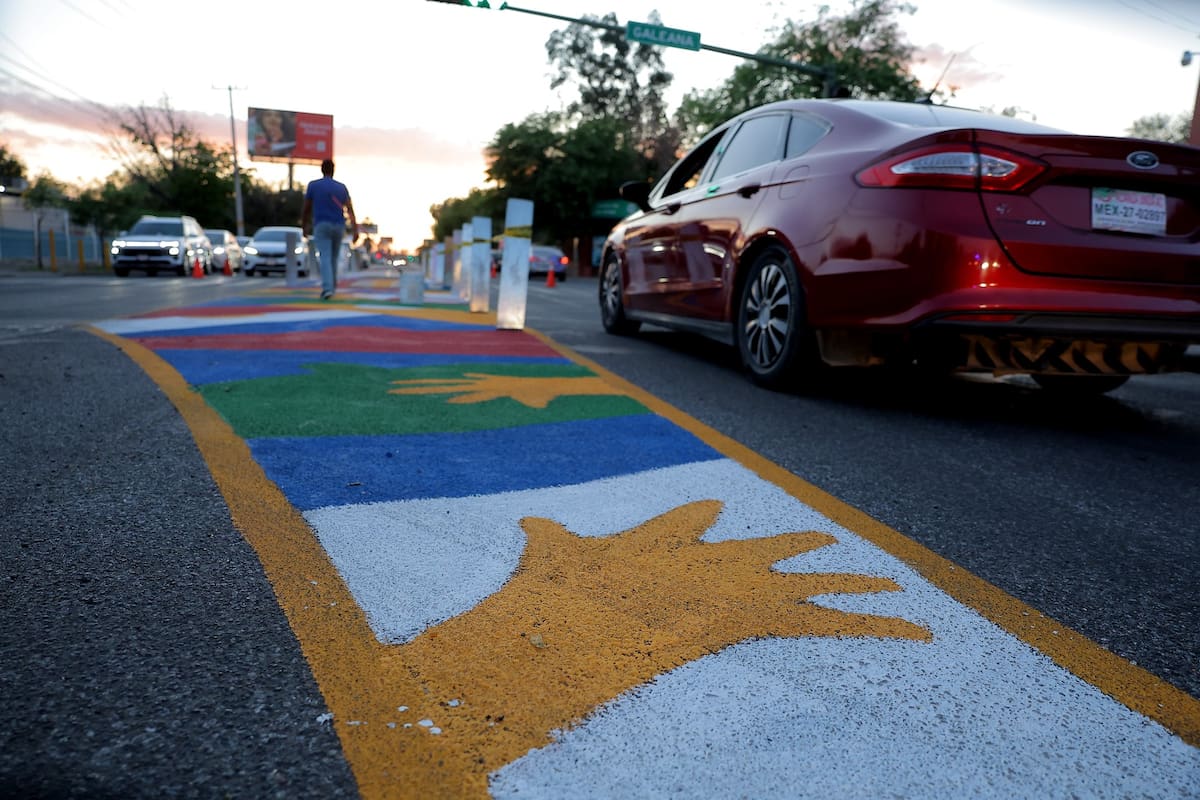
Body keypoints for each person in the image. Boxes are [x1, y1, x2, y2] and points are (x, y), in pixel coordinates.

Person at [301, 159, 357, 300]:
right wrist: (355, 229)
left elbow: (307, 208)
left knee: (325, 256)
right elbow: (350, 210)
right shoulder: (341, 187)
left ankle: (327, 288)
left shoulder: (314, 186)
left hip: (321, 224)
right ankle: (332, 286)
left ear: (322, 169)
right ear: (333, 170)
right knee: (333, 257)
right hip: (338, 225)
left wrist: (304, 225)